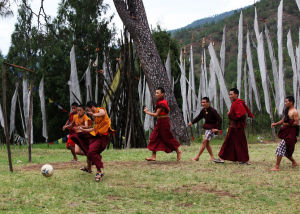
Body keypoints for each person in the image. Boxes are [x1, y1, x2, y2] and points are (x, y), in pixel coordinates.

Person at [71, 101, 114, 182]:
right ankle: (90, 168)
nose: (89, 112)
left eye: (88, 110)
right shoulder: (96, 118)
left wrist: (93, 114)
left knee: (91, 152)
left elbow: (102, 113)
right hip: (96, 137)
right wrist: (84, 129)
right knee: (80, 139)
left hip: (103, 138)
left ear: (92, 107)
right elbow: (94, 129)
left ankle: (99, 172)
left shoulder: (100, 110)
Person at [214, 88, 254, 164]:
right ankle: (239, 159)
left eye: (231, 94)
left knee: (238, 143)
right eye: (229, 94)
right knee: (230, 144)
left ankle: (244, 160)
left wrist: (229, 114)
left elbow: (241, 115)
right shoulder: (235, 103)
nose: (230, 96)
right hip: (234, 127)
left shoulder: (238, 103)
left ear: (236, 94)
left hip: (237, 127)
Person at [144, 87, 182, 161]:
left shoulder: (162, 103)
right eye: (156, 93)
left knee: (167, 138)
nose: (156, 94)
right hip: (160, 121)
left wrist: (147, 112)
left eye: (158, 93)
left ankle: (178, 151)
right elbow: (167, 110)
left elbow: (156, 114)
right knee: (154, 137)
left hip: (164, 122)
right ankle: (153, 156)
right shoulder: (162, 101)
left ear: (162, 94)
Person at [270, 96, 299, 171]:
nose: (285, 103)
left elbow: (296, 122)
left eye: (286, 102)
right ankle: (294, 162)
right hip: (287, 132)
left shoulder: (294, 112)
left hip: (290, 133)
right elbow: (283, 120)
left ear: (291, 102)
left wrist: (288, 124)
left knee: (280, 148)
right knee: (286, 151)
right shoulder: (288, 110)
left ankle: (276, 167)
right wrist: (275, 124)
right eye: (285, 102)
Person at [188, 97, 222, 161]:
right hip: (207, 128)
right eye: (202, 102)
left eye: (204, 102)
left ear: (208, 103)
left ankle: (197, 157)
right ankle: (212, 157)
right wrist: (192, 122)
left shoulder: (213, 110)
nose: (202, 104)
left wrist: (217, 129)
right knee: (207, 144)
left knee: (204, 142)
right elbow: (198, 117)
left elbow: (220, 119)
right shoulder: (203, 110)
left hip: (212, 129)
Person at [71, 105, 92, 172]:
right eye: (77, 110)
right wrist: (67, 126)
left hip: (84, 136)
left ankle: (89, 168)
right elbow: (72, 124)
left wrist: (81, 127)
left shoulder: (85, 117)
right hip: (77, 136)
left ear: (84, 111)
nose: (78, 112)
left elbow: (86, 126)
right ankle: (91, 155)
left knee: (88, 153)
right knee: (77, 151)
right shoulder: (75, 116)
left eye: (80, 110)